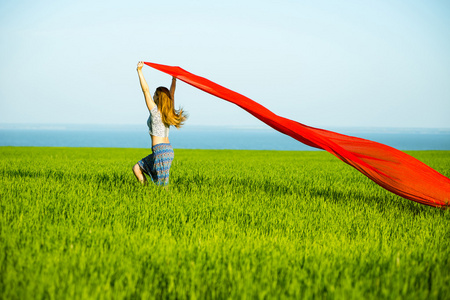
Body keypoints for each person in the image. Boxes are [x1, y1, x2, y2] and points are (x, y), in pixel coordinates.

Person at [132, 61, 187, 186]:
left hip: (160, 151)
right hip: (164, 150)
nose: (152, 96)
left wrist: (139, 71)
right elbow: (171, 94)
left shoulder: (155, 112)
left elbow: (145, 90)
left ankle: (164, 201)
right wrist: (174, 79)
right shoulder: (168, 112)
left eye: (155, 94)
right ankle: (146, 193)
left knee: (162, 187)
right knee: (137, 168)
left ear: (158, 97)